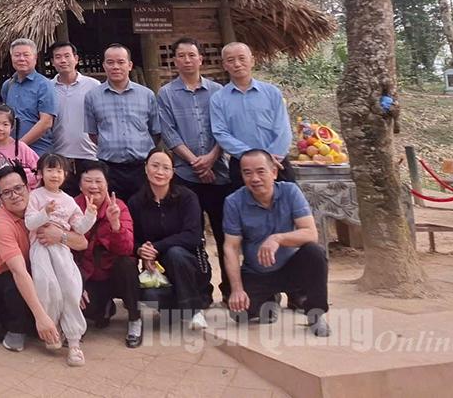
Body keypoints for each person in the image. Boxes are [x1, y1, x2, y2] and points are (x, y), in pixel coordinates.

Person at [224, 150, 329, 337]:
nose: (254, 178)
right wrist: (237, 290)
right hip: (257, 272)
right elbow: (230, 248)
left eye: (260, 171)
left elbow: (311, 233)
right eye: (247, 173)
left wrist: (277, 238)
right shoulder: (233, 202)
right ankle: (269, 299)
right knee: (239, 314)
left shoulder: (290, 192)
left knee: (315, 252)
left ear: (273, 172)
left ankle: (315, 313)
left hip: (291, 268)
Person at [156, 36, 231, 300]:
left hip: (219, 175)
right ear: (174, 61)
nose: (187, 60)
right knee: (192, 236)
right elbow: (169, 133)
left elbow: (224, 128)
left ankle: (230, 288)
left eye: (191, 55)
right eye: (181, 56)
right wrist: (196, 162)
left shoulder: (218, 92)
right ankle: (201, 290)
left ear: (201, 58)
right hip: (186, 177)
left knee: (225, 234)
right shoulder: (166, 94)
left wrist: (211, 158)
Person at [0, 167, 85, 354]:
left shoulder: (44, 204)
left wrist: (60, 236)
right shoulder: (1, 224)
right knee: (16, 284)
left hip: (47, 269)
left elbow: (82, 243)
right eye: (7, 192)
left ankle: (57, 326)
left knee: (71, 280)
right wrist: (41, 317)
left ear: (28, 187)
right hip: (12, 279)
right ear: (0, 198)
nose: (14, 196)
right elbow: (19, 271)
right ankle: (19, 328)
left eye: (18, 188)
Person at [126, 149, 210, 331]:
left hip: (190, 264)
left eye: (166, 168)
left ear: (173, 172)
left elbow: (193, 235)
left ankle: (194, 310)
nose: (160, 172)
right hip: (157, 270)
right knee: (150, 296)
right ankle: (178, 307)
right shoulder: (136, 202)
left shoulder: (187, 197)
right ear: (146, 168)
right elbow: (131, 239)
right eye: (155, 166)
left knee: (175, 253)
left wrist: (157, 247)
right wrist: (141, 250)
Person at [24, 153, 96, 367]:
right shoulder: (35, 196)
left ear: (65, 174)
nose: (54, 175)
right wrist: (45, 213)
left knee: (70, 287)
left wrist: (90, 215)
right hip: (41, 248)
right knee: (47, 286)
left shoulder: (69, 201)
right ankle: (52, 331)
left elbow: (79, 228)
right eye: (50, 170)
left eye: (59, 171)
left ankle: (74, 341)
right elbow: (30, 223)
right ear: (40, 173)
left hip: (62, 249)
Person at [74, 161, 142, 347]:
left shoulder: (118, 207)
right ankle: (104, 308)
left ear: (107, 184)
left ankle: (135, 319)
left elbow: (126, 249)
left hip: (114, 274)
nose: (94, 186)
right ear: (80, 185)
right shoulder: (72, 207)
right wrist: (76, 286)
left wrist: (115, 224)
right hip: (88, 275)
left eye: (99, 181)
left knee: (127, 264)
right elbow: (67, 253)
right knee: (89, 312)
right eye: (88, 181)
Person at [211, 43, 293, 188]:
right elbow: (221, 133)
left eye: (242, 58)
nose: (237, 64)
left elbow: (283, 129)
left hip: (276, 161)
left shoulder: (272, 92)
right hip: (241, 164)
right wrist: (251, 157)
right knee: (244, 202)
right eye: (230, 60)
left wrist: (270, 158)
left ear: (252, 61)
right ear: (224, 65)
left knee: (287, 200)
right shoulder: (218, 99)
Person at [85, 44, 159, 201]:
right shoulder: (92, 97)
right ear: (104, 65)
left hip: (141, 167)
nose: (115, 67)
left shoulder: (147, 95)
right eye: (110, 62)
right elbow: (93, 133)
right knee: (114, 210)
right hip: (109, 168)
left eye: (121, 62)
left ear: (130, 65)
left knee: (143, 209)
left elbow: (155, 132)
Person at [48, 41, 100, 195]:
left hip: (90, 155)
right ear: (52, 62)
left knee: (92, 200)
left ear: (76, 59)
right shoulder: (48, 88)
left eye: (67, 56)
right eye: (58, 57)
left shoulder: (93, 86)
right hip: (60, 157)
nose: (63, 60)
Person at [0, 38, 57, 156]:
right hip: (11, 151)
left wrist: (19, 145)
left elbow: (46, 122)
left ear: (35, 58)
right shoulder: (8, 85)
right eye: (17, 55)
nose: (21, 59)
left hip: (38, 152)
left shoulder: (45, 85)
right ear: (12, 58)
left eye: (26, 55)